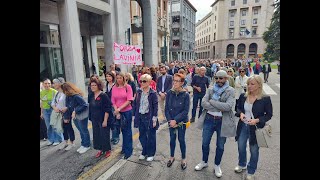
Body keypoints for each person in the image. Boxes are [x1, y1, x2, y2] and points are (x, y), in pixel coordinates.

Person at [194, 70, 236, 178]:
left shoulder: (230, 90)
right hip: (208, 119)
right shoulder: (211, 88)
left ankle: (217, 165)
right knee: (205, 143)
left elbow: (228, 107)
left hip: (222, 121)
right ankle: (204, 161)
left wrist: (212, 102)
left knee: (220, 146)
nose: (218, 80)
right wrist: (218, 106)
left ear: (226, 78)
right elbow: (203, 103)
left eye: (221, 78)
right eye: (216, 78)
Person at [234, 75, 273, 180]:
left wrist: (257, 120)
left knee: (254, 150)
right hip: (243, 126)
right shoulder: (243, 96)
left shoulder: (265, 98)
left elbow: (269, 114)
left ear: (259, 85)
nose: (249, 86)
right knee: (241, 146)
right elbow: (238, 108)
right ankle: (242, 164)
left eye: (252, 84)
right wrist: (241, 114)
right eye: (248, 84)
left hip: (255, 128)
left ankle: (251, 171)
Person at [165, 73, 190, 170]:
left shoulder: (186, 95)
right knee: (172, 139)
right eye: (174, 80)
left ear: (182, 83)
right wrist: (170, 121)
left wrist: (175, 120)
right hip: (171, 121)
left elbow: (185, 111)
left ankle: (183, 159)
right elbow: (166, 108)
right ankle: (172, 157)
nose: (174, 83)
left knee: (181, 139)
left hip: (181, 122)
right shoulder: (169, 93)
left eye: (177, 81)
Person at [133, 74, 159, 162]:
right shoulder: (139, 91)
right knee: (142, 136)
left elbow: (155, 107)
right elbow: (136, 104)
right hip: (140, 116)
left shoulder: (153, 93)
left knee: (151, 136)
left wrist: (154, 119)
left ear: (149, 82)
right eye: (141, 81)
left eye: (144, 81)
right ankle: (144, 151)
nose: (142, 83)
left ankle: (151, 153)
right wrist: (135, 115)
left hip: (149, 117)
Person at [62, 82, 91, 154]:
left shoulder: (76, 96)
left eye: (64, 90)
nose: (64, 92)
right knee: (80, 130)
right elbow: (68, 106)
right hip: (74, 116)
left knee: (84, 130)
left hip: (81, 115)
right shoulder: (68, 97)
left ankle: (87, 145)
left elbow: (85, 105)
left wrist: (75, 111)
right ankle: (83, 144)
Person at [111, 72, 134, 159]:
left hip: (126, 111)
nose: (119, 80)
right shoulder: (114, 87)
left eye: (120, 78)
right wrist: (116, 110)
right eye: (117, 78)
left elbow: (129, 100)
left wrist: (119, 109)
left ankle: (129, 151)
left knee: (127, 132)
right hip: (118, 112)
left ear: (124, 78)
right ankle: (124, 149)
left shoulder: (128, 87)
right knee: (121, 130)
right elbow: (113, 100)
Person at [89, 78, 113, 158]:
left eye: (95, 85)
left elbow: (107, 109)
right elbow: (90, 107)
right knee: (97, 135)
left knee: (104, 135)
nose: (93, 87)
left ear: (98, 86)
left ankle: (107, 150)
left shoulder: (103, 95)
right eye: (92, 85)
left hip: (103, 118)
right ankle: (100, 149)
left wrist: (105, 120)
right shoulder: (91, 95)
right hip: (94, 119)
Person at [52, 77, 75, 151]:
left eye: (55, 83)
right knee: (63, 128)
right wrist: (55, 108)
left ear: (60, 83)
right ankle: (65, 141)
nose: (53, 84)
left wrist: (66, 109)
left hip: (66, 113)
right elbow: (53, 103)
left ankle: (72, 142)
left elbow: (70, 103)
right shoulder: (57, 93)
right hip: (59, 114)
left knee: (68, 127)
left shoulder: (66, 93)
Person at [40, 79, 63, 146]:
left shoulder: (54, 92)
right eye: (45, 83)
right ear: (43, 84)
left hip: (53, 110)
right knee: (48, 126)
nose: (47, 85)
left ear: (51, 84)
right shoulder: (41, 93)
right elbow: (41, 103)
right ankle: (51, 139)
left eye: (49, 83)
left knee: (55, 125)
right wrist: (41, 112)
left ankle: (58, 139)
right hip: (45, 111)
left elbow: (58, 102)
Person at [105, 72, 119, 145]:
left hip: (114, 105)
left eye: (109, 76)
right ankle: (113, 137)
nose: (108, 78)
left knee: (114, 122)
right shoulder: (107, 84)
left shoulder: (115, 85)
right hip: (108, 105)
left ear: (113, 77)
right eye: (107, 76)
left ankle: (116, 137)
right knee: (110, 122)